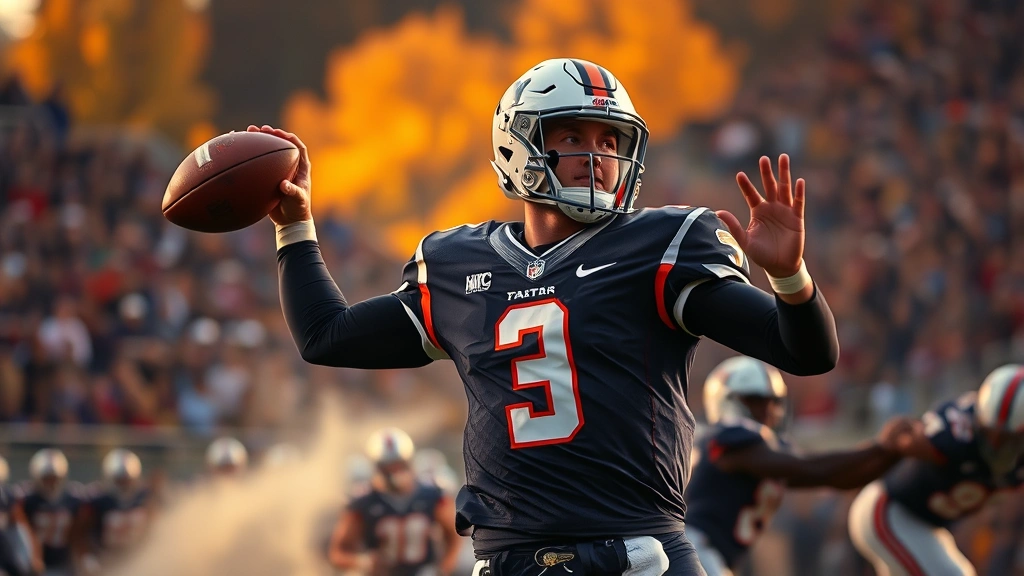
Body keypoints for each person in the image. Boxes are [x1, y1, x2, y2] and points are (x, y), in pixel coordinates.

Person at [259, 57, 839, 575]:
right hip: (509, 561)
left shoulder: (661, 245)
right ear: (518, 144)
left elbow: (806, 353)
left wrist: (790, 278)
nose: (598, 155)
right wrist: (295, 225)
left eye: (610, 140)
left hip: (640, 556)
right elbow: (327, 336)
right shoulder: (458, 264)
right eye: (572, 135)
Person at [684, 356, 917, 576]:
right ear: (728, 401)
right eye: (755, 401)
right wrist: (880, 446)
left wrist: (892, 453)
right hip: (695, 549)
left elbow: (838, 477)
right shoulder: (731, 442)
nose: (768, 411)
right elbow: (815, 468)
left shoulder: (764, 454)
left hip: (706, 556)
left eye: (772, 402)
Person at [847, 364, 1024, 576]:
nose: (995, 445)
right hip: (890, 512)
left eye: (1007, 440)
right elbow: (895, 445)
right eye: (990, 433)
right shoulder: (955, 433)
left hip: (927, 528)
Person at [328, 428, 461, 576]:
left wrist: (442, 569)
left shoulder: (432, 494)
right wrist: (363, 562)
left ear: (409, 462)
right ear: (377, 467)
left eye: (399, 465)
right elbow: (338, 553)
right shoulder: (362, 502)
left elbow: (454, 536)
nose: (395, 472)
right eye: (387, 467)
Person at [81, 449, 153, 571]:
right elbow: (84, 531)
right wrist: (89, 555)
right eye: (119, 479)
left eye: (126, 479)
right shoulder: (100, 501)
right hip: (107, 557)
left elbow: (152, 529)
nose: (123, 484)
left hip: (137, 557)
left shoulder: (145, 498)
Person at [20, 449, 87, 576]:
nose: (51, 483)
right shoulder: (28, 500)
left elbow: (78, 533)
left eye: (54, 478)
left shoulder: (73, 500)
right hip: (36, 562)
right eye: (47, 478)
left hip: (64, 560)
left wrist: (83, 557)